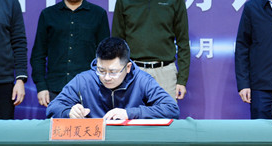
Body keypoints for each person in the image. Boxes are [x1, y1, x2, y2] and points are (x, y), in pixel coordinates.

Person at [111, 0, 190, 101]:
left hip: (166, 72)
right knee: (132, 116)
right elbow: (117, 43)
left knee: (165, 116)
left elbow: (183, 42)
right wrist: (118, 75)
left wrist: (182, 80)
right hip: (133, 71)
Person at [30, 0, 110, 107]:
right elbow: (38, 55)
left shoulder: (98, 14)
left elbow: (105, 56)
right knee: (57, 123)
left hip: (90, 89)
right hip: (55, 90)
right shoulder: (48, 14)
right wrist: (41, 86)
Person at [46, 37, 179, 120]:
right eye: (101, 70)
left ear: (128, 67)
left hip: (131, 142)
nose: (106, 77)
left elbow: (171, 109)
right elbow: (53, 108)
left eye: (113, 72)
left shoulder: (142, 80)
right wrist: (69, 112)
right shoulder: (84, 80)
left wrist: (130, 113)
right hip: (94, 144)